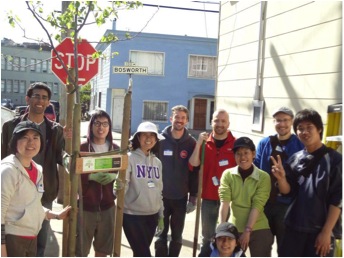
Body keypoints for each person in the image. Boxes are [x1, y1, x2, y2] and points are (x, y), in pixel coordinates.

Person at [1, 82, 65, 256]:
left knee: (40, 242)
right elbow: (3, 156)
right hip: (15, 193)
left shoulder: (55, 130)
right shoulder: (10, 126)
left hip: (44, 192)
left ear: (48, 103)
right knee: (14, 238)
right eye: (36, 96)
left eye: (44, 98)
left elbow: (61, 157)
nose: (40, 100)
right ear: (28, 99)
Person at [271, 108, 342, 257]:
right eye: (300, 129)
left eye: (309, 127)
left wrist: (326, 232)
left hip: (319, 231)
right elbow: (287, 191)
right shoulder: (295, 159)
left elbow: (337, 200)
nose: (304, 132)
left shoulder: (335, 160)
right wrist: (281, 178)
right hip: (293, 228)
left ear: (319, 129)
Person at [254, 107, 304, 254]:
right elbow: (256, 168)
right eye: (278, 120)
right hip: (264, 204)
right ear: (273, 122)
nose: (282, 124)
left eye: (286, 120)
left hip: (288, 206)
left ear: (292, 122)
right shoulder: (264, 143)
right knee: (261, 248)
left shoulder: (299, 144)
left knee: (286, 249)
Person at [189, 109, 236, 257]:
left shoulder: (235, 144)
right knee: (208, 237)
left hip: (229, 199)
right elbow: (193, 164)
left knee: (228, 238)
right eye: (216, 120)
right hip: (208, 197)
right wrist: (198, 144)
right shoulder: (205, 143)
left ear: (228, 123)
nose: (220, 124)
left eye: (223, 121)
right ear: (211, 122)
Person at [155, 105, 199, 257]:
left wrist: (193, 197)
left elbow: (194, 172)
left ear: (187, 121)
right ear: (171, 119)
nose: (179, 120)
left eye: (182, 118)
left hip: (181, 198)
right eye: (177, 117)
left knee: (177, 236)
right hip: (160, 197)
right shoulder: (160, 141)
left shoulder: (192, 143)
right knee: (160, 233)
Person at [219, 137, 273, 257]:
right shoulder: (228, 174)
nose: (242, 157)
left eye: (246, 153)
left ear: (253, 154)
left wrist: (248, 230)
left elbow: (257, 205)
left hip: (258, 226)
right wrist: (223, 229)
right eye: (238, 154)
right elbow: (225, 202)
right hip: (234, 227)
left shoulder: (263, 177)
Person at [76, 110, 119, 257]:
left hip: (107, 206)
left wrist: (114, 177)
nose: (101, 128)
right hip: (85, 206)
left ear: (109, 127)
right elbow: (73, 175)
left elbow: (122, 173)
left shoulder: (115, 149)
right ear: (91, 125)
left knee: (103, 250)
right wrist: (89, 178)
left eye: (105, 124)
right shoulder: (82, 148)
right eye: (97, 123)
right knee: (80, 250)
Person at [123, 121, 164, 257]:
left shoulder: (157, 162)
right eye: (144, 135)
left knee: (139, 253)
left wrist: (161, 214)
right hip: (132, 216)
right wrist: (117, 190)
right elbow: (123, 185)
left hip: (152, 217)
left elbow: (159, 190)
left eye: (152, 135)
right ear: (138, 138)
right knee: (144, 254)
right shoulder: (129, 159)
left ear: (156, 139)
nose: (148, 139)